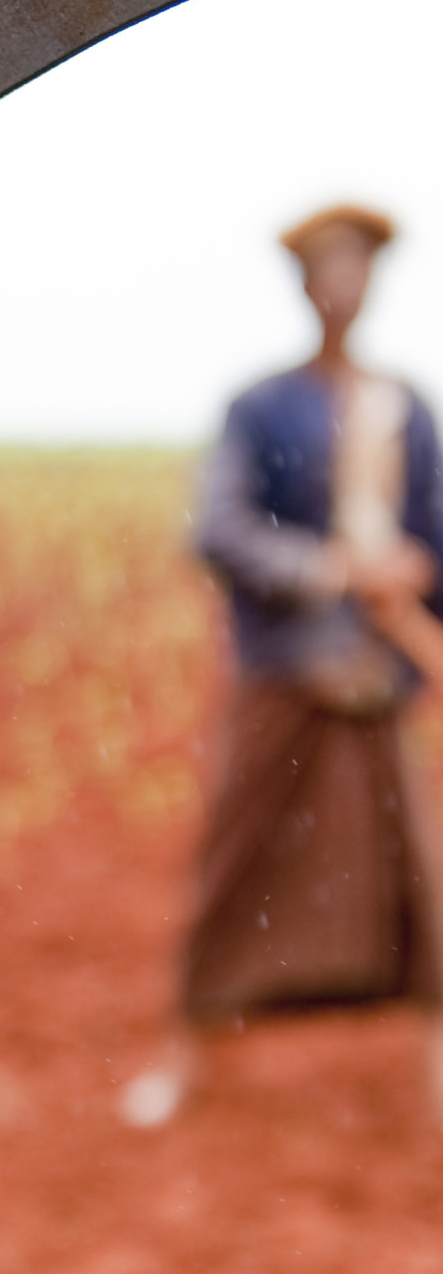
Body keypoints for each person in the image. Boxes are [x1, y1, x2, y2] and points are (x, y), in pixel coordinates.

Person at [121, 206, 443, 1129]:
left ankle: (435, 1081)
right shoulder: (262, 408)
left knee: (417, 881)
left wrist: (413, 577)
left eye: (359, 269)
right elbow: (222, 533)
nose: (343, 287)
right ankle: (182, 1062)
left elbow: (434, 536)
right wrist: (335, 569)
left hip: (378, 683)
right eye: (327, 270)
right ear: (305, 286)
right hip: (285, 681)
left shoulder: (405, 408)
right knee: (238, 865)